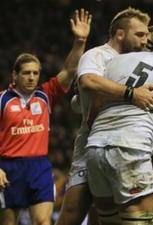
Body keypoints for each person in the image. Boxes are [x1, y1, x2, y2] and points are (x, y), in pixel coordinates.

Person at [57, 7, 153, 225]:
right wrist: (131, 94)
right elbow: (88, 81)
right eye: (140, 34)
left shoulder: (138, 58)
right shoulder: (98, 55)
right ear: (120, 34)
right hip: (94, 145)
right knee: (73, 215)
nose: (145, 40)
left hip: (136, 146)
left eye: (147, 35)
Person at [85, 18, 153, 225]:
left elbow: (93, 113)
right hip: (132, 150)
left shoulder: (117, 60)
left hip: (95, 149)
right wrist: (144, 166)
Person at [0, 9, 91, 225]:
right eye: (26, 73)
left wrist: (79, 41)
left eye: (35, 73)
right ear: (15, 75)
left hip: (39, 167)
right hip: (8, 168)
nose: (32, 77)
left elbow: (69, 70)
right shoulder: (2, 100)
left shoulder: (45, 95)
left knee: (43, 221)